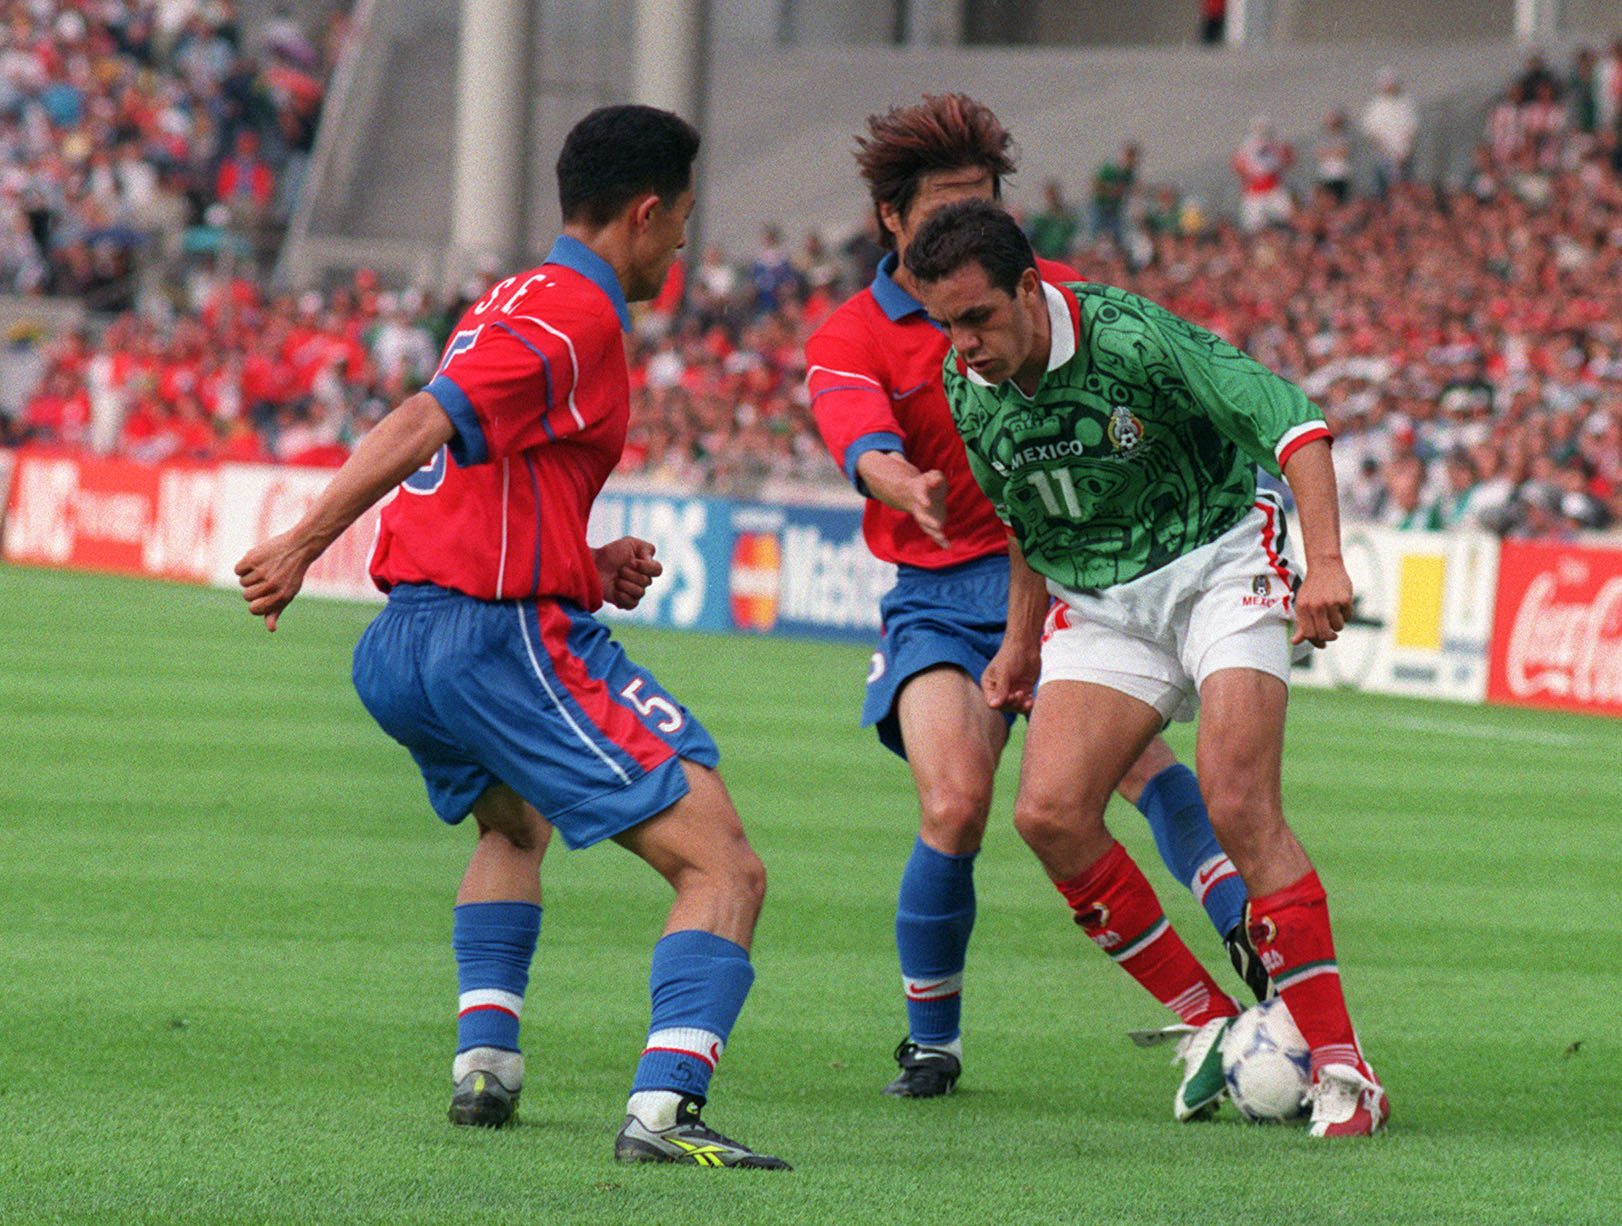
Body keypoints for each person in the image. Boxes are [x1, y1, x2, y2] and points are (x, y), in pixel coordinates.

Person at [234, 105, 789, 1170]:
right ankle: (668, 1110)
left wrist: (585, 565)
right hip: (491, 640)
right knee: (723, 867)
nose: (682, 243)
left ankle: (484, 1063)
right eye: (680, 219)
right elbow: (420, 421)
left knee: (511, 827)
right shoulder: (575, 313)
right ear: (644, 210)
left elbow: (486, 489)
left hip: (407, 641)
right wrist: (304, 542)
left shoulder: (513, 295)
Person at [804, 94, 1267, 1115]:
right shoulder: (854, 332)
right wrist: (899, 482)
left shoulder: (1047, 290)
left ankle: (1252, 952)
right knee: (955, 803)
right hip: (935, 592)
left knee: (1138, 766)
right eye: (944, 208)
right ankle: (931, 1038)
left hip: (1067, 574)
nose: (971, 226)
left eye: (983, 204)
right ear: (892, 219)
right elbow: (857, 434)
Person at [903, 198, 1389, 1137]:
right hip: (1103, 600)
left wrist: (1325, 560)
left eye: (978, 317)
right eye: (946, 323)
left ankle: (1342, 1069)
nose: (964, 343)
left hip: (1220, 562)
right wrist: (1018, 641)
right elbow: (1027, 523)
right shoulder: (967, 386)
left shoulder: (1132, 339)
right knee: (1048, 814)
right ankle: (1213, 1023)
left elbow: (1296, 425)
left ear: (1031, 291)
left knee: (1238, 800)